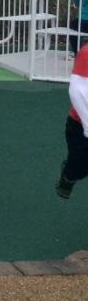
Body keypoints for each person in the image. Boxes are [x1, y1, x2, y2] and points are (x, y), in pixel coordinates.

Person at [56, 44, 88, 199]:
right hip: (79, 125)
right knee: (78, 168)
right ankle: (67, 177)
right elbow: (76, 91)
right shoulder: (86, 52)